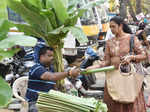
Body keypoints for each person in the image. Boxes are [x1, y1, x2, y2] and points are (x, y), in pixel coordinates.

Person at [87, 16, 147, 112]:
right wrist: (93, 67)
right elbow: (106, 62)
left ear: (121, 26)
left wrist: (131, 57)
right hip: (113, 79)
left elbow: (144, 55)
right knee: (113, 105)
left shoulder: (132, 38)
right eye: (110, 27)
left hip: (128, 78)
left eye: (113, 26)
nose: (111, 29)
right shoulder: (109, 42)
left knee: (130, 103)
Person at [25, 46, 80, 112]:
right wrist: (69, 73)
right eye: (49, 56)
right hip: (34, 102)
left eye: (53, 56)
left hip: (48, 102)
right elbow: (51, 77)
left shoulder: (52, 69)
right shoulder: (36, 68)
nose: (52, 58)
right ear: (42, 57)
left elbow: (54, 87)